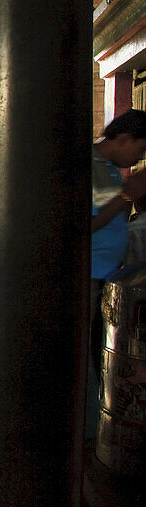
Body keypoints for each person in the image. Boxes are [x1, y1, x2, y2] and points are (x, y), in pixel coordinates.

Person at [88, 110, 146, 436]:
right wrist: (128, 194)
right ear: (123, 138)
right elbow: (88, 223)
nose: (138, 157)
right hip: (91, 277)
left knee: (104, 353)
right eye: (139, 148)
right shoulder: (90, 166)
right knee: (94, 357)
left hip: (107, 275)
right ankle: (91, 430)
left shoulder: (108, 169)